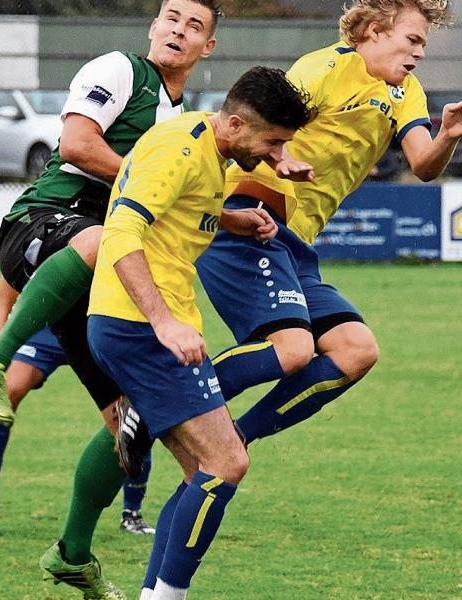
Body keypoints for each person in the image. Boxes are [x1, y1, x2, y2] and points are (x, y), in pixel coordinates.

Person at [0, 1, 222, 597]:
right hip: (44, 223)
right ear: (153, 27)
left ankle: (72, 554)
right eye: (170, 17)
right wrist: (147, 180)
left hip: (94, 270)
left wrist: (232, 213)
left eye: (194, 25)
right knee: (102, 239)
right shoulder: (120, 70)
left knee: (133, 421)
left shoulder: (179, 119)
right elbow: (77, 143)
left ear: (208, 48)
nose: (178, 29)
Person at [194, 0, 462, 447]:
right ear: (373, 30)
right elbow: (264, 119)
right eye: (412, 40)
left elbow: (423, 165)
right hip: (251, 215)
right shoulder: (327, 66)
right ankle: (171, 398)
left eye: (423, 44)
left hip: (293, 240)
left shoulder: (406, 91)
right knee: (292, 351)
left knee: (355, 350)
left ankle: (236, 437)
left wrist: (446, 135)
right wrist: (284, 157)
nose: (420, 53)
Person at [86, 66, 313, 600]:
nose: (274, 155)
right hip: (140, 325)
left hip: (144, 323)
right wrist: (163, 322)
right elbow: (121, 229)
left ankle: (157, 596)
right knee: (227, 461)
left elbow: (184, 209)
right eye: (272, 142)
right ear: (235, 124)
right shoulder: (180, 150)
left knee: (199, 475)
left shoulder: (207, 143)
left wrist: (233, 220)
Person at [0, 276, 155, 537]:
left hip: (96, 325)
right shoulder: (36, 236)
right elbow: (10, 274)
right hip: (46, 327)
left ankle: (132, 512)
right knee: (6, 391)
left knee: (131, 409)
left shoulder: (105, 234)